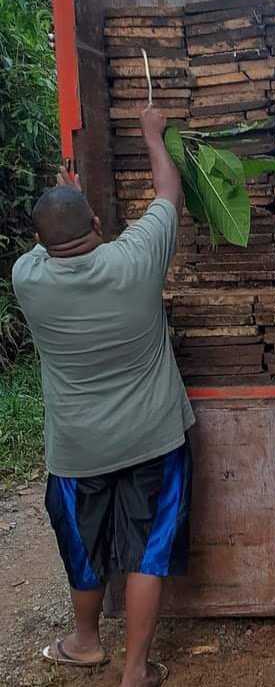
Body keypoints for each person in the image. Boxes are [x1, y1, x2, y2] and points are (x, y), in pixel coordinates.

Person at [12, 105, 193, 687]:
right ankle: (135, 670)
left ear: (40, 243)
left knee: (84, 548)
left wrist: (68, 211)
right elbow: (169, 193)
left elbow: (56, 238)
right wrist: (151, 135)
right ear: (95, 217)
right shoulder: (136, 260)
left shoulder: (28, 279)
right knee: (147, 550)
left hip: (78, 449)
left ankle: (86, 644)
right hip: (152, 439)